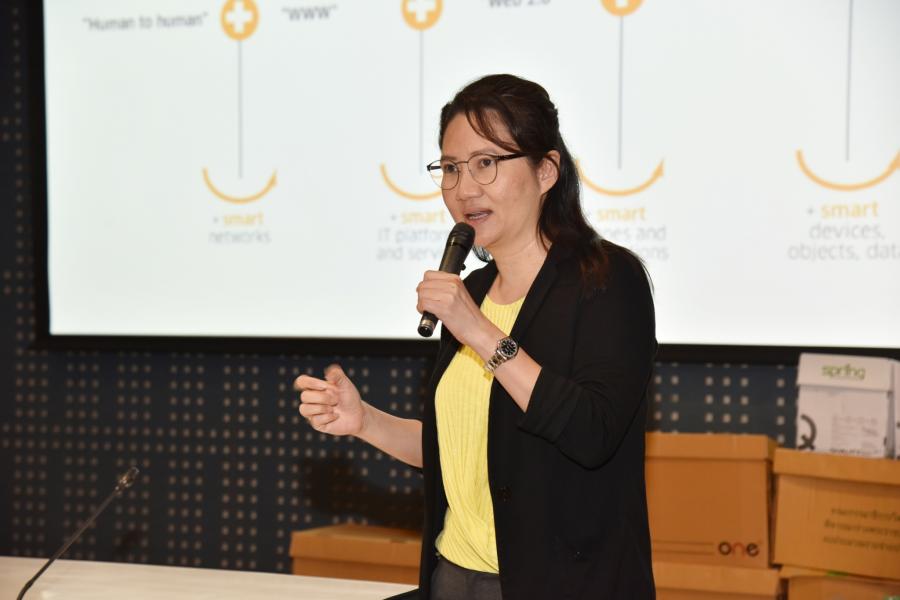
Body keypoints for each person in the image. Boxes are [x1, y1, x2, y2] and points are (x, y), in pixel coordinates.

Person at [295, 74, 657, 599]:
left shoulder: (605, 279)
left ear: (546, 170)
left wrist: (480, 332)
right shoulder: (476, 291)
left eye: (486, 163)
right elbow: (462, 450)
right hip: (453, 577)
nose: (464, 188)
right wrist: (365, 421)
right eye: (450, 168)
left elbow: (592, 432)